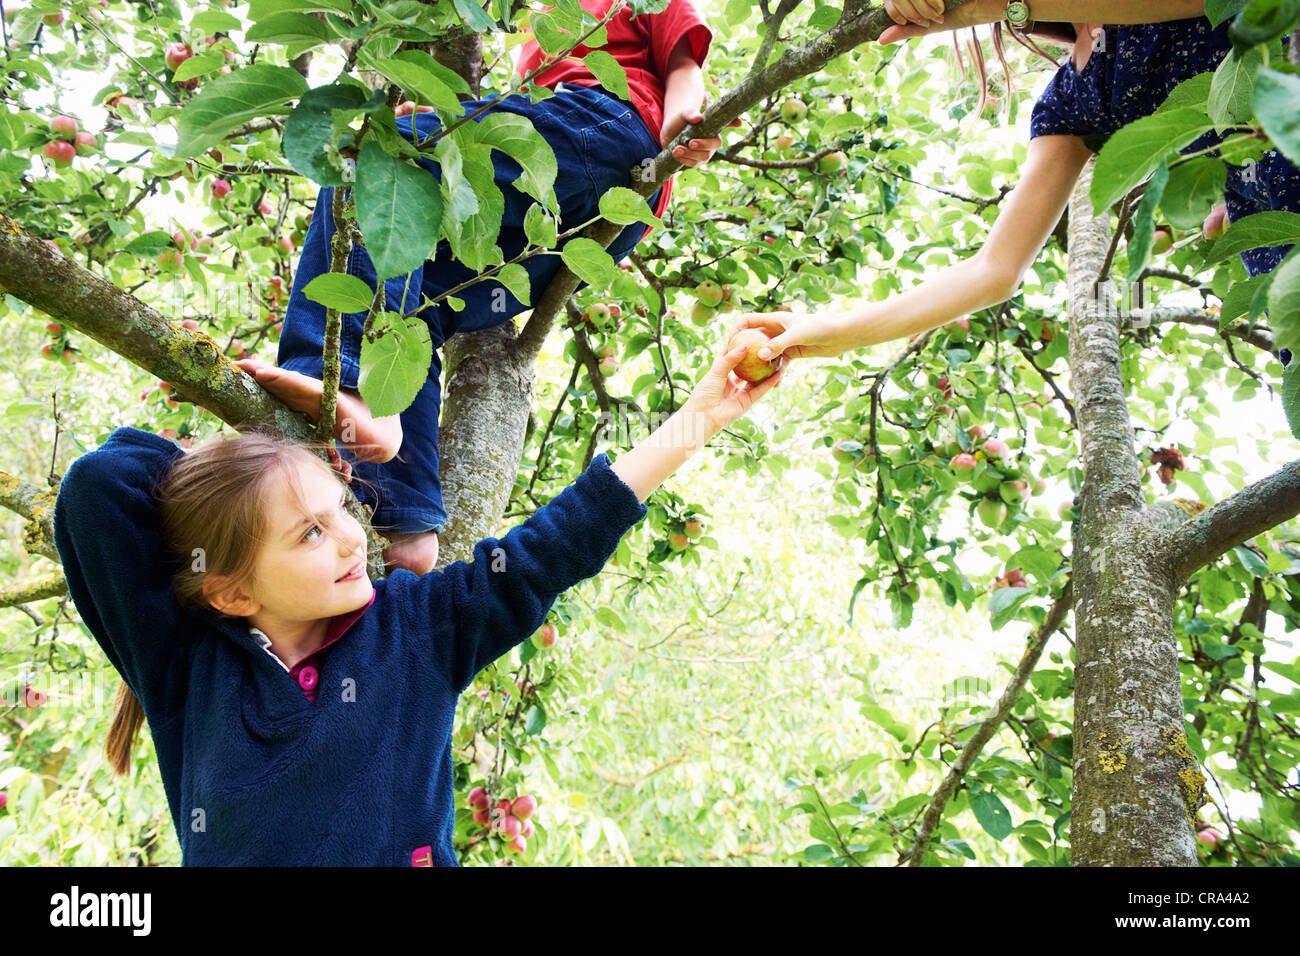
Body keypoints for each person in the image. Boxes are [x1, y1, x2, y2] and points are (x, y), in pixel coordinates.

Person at [52, 340, 783, 866]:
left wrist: (702, 414)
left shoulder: (419, 629)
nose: (349, 540)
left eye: (341, 508)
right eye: (309, 533)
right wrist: (246, 478)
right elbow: (99, 486)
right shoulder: (188, 667)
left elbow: (557, 544)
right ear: (234, 591)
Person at [237, 0, 725, 578]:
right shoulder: (540, 28)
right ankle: (406, 522)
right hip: (582, 214)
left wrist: (684, 128)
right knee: (420, 303)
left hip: (608, 127)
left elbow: (683, 64)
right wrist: (450, 130)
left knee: (379, 155)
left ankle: (342, 381)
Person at [733, 2, 1299, 363]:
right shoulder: (1073, 98)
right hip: (1282, 267)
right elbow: (994, 270)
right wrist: (832, 331)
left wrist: (998, 4)